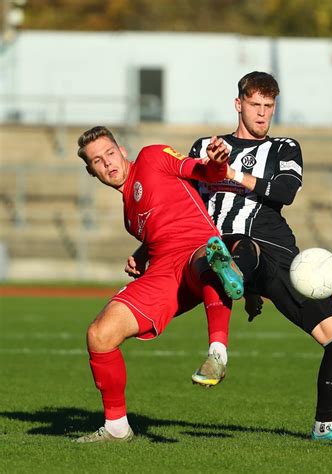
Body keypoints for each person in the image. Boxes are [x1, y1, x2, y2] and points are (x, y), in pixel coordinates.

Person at [189, 71, 332, 443]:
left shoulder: (285, 147)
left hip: (281, 254)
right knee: (238, 244)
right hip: (228, 243)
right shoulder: (204, 146)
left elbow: (285, 191)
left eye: (268, 106)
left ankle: (325, 427)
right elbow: (185, 201)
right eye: (255, 104)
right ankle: (235, 278)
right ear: (238, 104)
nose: (261, 113)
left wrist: (231, 173)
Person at [74, 126, 243, 443]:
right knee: (99, 335)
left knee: (209, 260)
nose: (108, 163)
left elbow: (204, 172)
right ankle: (116, 428)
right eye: (98, 161)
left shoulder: (152, 156)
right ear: (91, 171)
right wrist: (142, 253)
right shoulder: (129, 215)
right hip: (163, 272)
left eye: (110, 153)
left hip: (196, 248)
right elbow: (159, 232)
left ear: (122, 150)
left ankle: (217, 353)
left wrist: (219, 162)